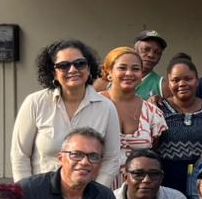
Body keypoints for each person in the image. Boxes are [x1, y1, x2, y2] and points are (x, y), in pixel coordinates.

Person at [11, 40, 121, 184]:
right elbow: (20, 155)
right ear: (53, 73)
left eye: (80, 64)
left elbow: (111, 159)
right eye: (63, 65)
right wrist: (25, 191)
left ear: (89, 69)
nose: (73, 70)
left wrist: (98, 192)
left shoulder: (106, 107)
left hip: (88, 191)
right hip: (40, 191)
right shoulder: (35, 103)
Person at [101, 46, 168, 187]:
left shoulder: (152, 113)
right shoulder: (93, 105)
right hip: (96, 190)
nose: (129, 73)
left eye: (136, 69)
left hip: (136, 193)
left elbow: (152, 156)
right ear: (109, 72)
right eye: (122, 68)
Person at [156, 53, 202, 199]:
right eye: (175, 80)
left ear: (197, 81)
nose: (182, 84)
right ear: (169, 83)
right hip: (167, 181)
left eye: (188, 78)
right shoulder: (158, 109)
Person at [133, 30, 167, 100]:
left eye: (157, 52)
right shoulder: (115, 79)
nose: (151, 55)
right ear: (134, 51)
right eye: (146, 49)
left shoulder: (162, 86)